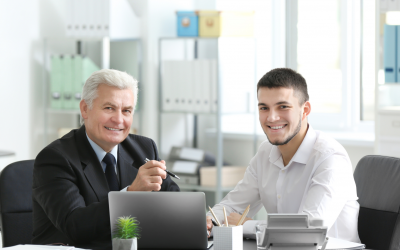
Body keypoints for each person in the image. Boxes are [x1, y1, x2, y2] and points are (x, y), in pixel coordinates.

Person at [206, 68, 360, 242]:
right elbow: (232, 206)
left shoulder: (330, 158)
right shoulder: (265, 153)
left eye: (283, 107)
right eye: (264, 108)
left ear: (306, 109)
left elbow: (309, 231)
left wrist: (246, 225)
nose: (271, 118)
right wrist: (210, 221)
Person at [32, 69, 180, 250]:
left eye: (127, 111)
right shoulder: (56, 158)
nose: (118, 120)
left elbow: (173, 201)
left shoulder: (144, 149)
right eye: (109, 108)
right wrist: (131, 195)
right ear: (85, 109)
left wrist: (192, 219)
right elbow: (75, 227)